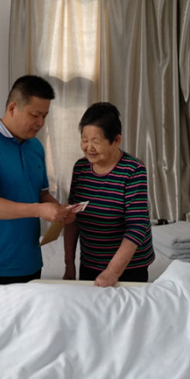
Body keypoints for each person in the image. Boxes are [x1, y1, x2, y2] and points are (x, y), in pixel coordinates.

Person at [0, 75, 73, 289]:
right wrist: (39, 210)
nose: (40, 123)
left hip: (31, 262)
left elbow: (41, 194)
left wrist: (60, 210)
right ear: (12, 108)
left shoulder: (35, 147)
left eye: (44, 116)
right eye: (35, 115)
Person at [64, 102, 154, 286]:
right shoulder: (80, 168)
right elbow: (72, 218)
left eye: (96, 141)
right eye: (84, 140)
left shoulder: (133, 170)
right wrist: (69, 264)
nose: (89, 147)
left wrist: (113, 271)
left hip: (128, 267)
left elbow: (137, 227)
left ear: (116, 141)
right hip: (90, 263)